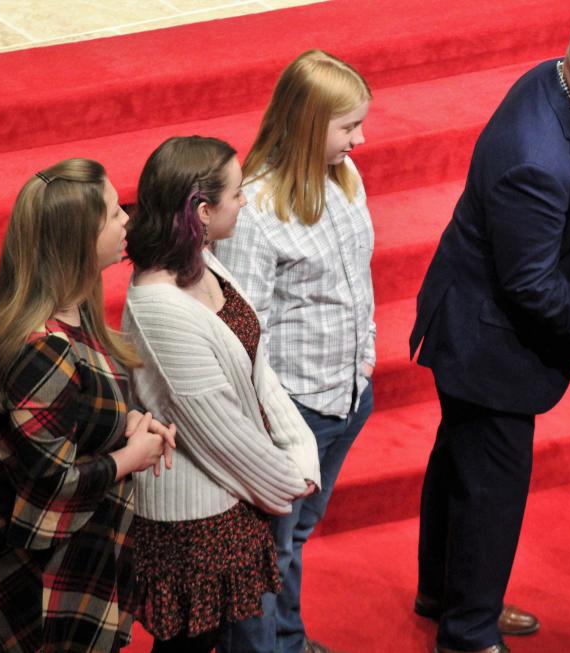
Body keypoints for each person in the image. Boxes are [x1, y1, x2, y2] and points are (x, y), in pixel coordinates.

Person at [408, 14, 570, 653]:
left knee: (460, 464)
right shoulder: (534, 160)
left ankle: (444, 595)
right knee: (490, 491)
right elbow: (531, 287)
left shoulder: (564, 92)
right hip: (488, 342)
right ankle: (468, 633)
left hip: (477, 322)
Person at [0, 159, 176, 653]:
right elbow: (54, 481)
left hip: (62, 565)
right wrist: (130, 456)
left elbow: (73, 420)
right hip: (38, 589)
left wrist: (127, 425)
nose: (127, 220)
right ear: (76, 237)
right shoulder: (43, 349)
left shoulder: (74, 309)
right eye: (114, 213)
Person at [121, 136, 321, 653]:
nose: (246, 201)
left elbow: (256, 367)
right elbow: (218, 431)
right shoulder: (159, 307)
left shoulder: (205, 258)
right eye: (236, 193)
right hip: (196, 522)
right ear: (202, 211)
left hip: (234, 501)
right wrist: (287, 482)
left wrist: (300, 446)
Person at [212, 49, 375, 653]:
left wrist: (364, 363)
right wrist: (272, 425)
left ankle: (289, 640)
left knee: (297, 537)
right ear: (309, 124)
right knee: (267, 549)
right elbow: (241, 331)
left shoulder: (347, 178)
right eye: (348, 127)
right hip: (293, 412)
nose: (361, 139)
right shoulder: (253, 210)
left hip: (347, 395)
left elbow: (360, 281)